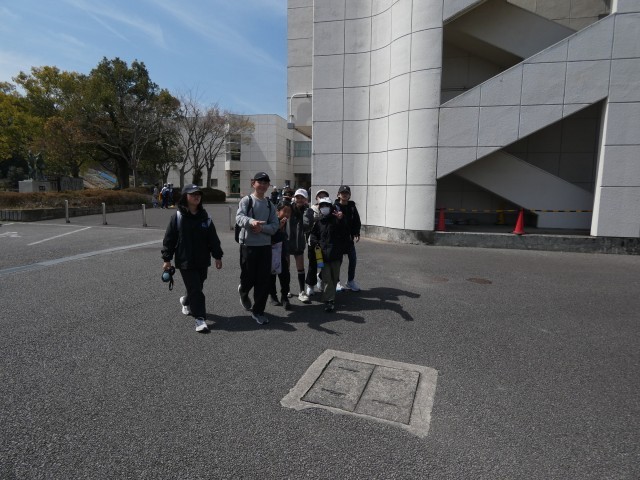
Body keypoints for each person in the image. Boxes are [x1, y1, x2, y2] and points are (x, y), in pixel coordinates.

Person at [161, 184, 223, 333]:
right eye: (193, 194)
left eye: (198, 194)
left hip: (202, 259)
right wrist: (167, 259)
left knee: (198, 285)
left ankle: (185, 300)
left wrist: (217, 256)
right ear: (185, 197)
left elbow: (213, 238)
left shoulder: (205, 216)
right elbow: (169, 239)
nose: (196, 196)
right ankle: (200, 319)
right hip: (185, 259)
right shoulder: (177, 217)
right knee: (196, 289)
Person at [236, 172, 280, 325]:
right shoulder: (246, 200)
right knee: (248, 277)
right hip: (248, 246)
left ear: (268, 185)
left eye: (265, 183)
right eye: (259, 182)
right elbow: (239, 217)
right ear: (253, 183)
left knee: (263, 280)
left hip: (265, 247)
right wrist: (251, 222)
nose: (262, 185)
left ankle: (258, 311)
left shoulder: (269, 204)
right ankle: (243, 291)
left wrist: (262, 229)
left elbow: (275, 226)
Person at [309, 197, 349, 312]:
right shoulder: (319, 222)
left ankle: (329, 295)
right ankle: (329, 300)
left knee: (334, 277)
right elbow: (313, 235)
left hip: (336, 255)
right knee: (327, 278)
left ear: (331, 207)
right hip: (323, 255)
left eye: (326, 205)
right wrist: (315, 243)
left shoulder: (337, 220)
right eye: (322, 206)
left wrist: (341, 219)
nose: (324, 208)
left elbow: (345, 231)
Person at [303, 188, 331, 297]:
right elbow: (307, 224)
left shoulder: (330, 208)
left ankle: (320, 278)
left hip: (326, 242)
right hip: (314, 242)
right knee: (313, 264)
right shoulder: (311, 209)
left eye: (324, 196)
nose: (322, 198)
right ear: (316, 198)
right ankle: (310, 285)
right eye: (320, 196)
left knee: (325, 264)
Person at [335, 185, 362, 292]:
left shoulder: (352, 207)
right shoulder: (335, 207)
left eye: (347, 193)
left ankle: (350, 281)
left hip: (349, 239)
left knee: (353, 259)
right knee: (338, 261)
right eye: (342, 193)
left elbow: (357, 220)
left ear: (349, 195)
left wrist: (356, 232)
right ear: (338, 195)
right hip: (338, 239)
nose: (345, 194)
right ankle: (336, 282)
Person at [269, 201, 292, 310]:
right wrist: (278, 227)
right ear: (277, 211)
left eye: (289, 212)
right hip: (271, 253)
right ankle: (273, 296)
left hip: (282, 254)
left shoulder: (288, 223)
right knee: (271, 276)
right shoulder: (272, 221)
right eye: (285, 211)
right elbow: (270, 236)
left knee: (285, 276)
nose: (287, 214)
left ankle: (284, 297)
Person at [289, 188, 310, 303]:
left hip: (299, 242)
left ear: (306, 199)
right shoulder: (288, 207)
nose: (300, 199)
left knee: (300, 267)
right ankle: (286, 289)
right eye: (298, 197)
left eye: (302, 197)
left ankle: (302, 291)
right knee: (285, 267)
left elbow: (307, 226)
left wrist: (307, 212)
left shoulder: (307, 210)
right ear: (294, 198)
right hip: (287, 241)